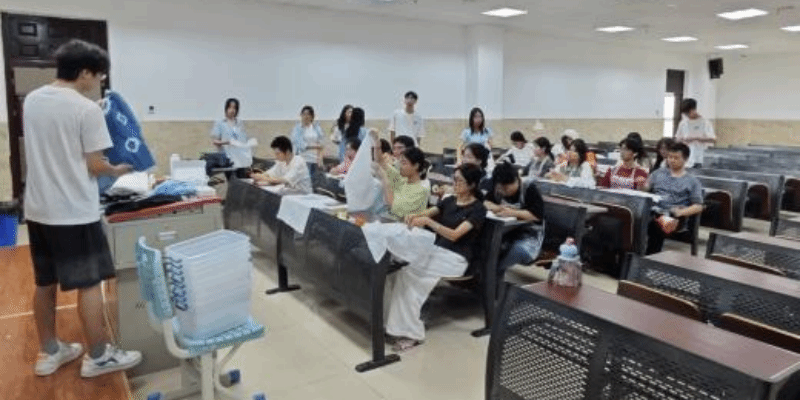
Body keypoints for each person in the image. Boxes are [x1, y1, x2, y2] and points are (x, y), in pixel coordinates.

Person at [24, 39, 142, 378]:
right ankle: (99, 356)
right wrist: (117, 170)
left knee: (45, 283)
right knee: (89, 284)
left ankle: (49, 352)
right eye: (99, 75)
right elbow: (95, 165)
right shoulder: (86, 110)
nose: (100, 81)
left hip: (38, 210)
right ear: (85, 73)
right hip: (74, 211)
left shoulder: (33, 100)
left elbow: (57, 140)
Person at [387, 164, 487, 351]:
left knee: (412, 278)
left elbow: (455, 235)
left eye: (459, 181)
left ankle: (412, 333)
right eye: (454, 179)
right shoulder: (450, 201)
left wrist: (429, 222)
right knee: (403, 272)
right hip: (438, 252)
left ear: (472, 185)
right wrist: (413, 215)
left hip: (456, 259)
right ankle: (397, 326)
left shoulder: (478, 209)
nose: (454, 183)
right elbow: (427, 213)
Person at [644, 142, 704, 254]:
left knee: (654, 224)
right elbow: (645, 189)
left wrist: (681, 212)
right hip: (653, 211)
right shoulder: (658, 173)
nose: (671, 160)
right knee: (635, 220)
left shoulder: (692, 181)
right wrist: (642, 185)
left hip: (674, 218)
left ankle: (649, 257)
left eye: (676, 158)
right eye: (669, 157)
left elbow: (698, 206)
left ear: (685, 159)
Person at [485, 163, 545, 275]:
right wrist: (496, 208)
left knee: (518, 250)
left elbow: (537, 215)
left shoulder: (529, 188)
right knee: (488, 245)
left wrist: (512, 212)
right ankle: (490, 274)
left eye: (506, 188)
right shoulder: (497, 186)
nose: (502, 191)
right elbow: (485, 201)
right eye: (500, 187)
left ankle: (493, 275)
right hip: (505, 233)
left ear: (517, 180)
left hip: (529, 236)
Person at [371, 130, 430, 219]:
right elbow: (380, 161)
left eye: (404, 163)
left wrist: (385, 179)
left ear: (416, 166)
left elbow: (394, 207)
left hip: (407, 226)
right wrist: (376, 141)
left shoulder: (422, 188)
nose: (400, 166)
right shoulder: (403, 179)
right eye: (394, 148)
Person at [211, 98, 253, 179]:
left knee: (242, 180)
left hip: (241, 159)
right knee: (231, 180)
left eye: (234, 108)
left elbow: (243, 140)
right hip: (227, 159)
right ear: (226, 108)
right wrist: (228, 142)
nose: (232, 110)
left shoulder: (240, 123)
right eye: (230, 107)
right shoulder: (220, 123)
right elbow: (215, 141)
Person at [675, 98, 715, 168]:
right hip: (686, 158)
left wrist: (696, 138)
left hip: (700, 158)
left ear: (694, 109)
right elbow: (677, 139)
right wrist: (683, 140)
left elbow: (713, 139)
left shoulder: (705, 122)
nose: (687, 115)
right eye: (685, 114)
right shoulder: (683, 123)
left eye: (688, 112)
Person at [290, 105, 325, 176]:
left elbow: (321, 145)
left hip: (315, 160)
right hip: (303, 159)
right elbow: (301, 145)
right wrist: (315, 147)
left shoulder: (316, 128)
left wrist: (320, 160)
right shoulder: (297, 129)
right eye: (304, 114)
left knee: (315, 180)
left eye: (308, 114)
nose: (306, 116)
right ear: (301, 115)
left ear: (312, 116)